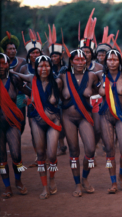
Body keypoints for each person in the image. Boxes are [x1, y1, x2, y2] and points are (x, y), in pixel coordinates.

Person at [11, 55, 63, 199]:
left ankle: (52, 179)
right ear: (35, 67)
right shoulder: (31, 79)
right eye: (40, 66)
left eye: (47, 65)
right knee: (41, 155)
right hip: (36, 121)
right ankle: (44, 187)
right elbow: (18, 75)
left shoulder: (57, 81)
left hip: (54, 121)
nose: (43, 69)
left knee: (52, 155)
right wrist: (9, 72)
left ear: (51, 67)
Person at [59, 43, 99, 197]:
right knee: (74, 151)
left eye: (83, 59)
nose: (81, 62)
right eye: (77, 60)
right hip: (68, 118)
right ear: (71, 61)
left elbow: (101, 89)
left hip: (85, 117)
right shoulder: (63, 76)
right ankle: (77, 183)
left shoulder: (92, 76)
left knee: (90, 149)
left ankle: (85, 178)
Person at [98, 47, 122, 194]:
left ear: (120, 61)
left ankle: (121, 175)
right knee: (109, 149)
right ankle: (113, 182)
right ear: (105, 61)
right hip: (105, 116)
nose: (112, 62)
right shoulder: (98, 76)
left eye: (115, 59)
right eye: (109, 59)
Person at [0, 53, 29, 199]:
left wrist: (37, 97)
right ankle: (7, 187)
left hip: (12, 123)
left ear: (8, 64)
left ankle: (18, 181)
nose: (1, 66)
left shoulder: (14, 79)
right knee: (1, 157)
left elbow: (28, 91)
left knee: (16, 154)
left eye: (3, 63)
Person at [79, 9, 104, 158]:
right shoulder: (71, 69)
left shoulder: (99, 67)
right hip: (79, 102)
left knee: (98, 129)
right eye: (83, 51)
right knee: (85, 128)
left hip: (96, 101)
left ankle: (94, 145)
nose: (85, 54)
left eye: (88, 52)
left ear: (92, 53)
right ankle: (90, 153)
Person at [19, 29, 42, 167]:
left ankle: (46, 154)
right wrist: (29, 93)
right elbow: (18, 84)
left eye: (37, 52)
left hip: (46, 104)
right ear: (28, 54)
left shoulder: (46, 65)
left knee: (45, 130)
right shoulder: (24, 68)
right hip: (32, 104)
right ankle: (38, 157)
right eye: (32, 52)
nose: (35, 54)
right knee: (34, 131)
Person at [45, 24, 68, 156]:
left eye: (56, 56)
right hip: (52, 99)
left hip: (63, 99)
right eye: (52, 56)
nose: (54, 58)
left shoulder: (65, 68)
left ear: (61, 56)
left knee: (64, 123)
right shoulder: (48, 68)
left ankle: (64, 145)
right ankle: (60, 146)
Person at [1, 32, 27, 136]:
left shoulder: (22, 61)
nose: (12, 51)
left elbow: (27, 76)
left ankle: (16, 137)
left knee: (22, 121)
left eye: (14, 49)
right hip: (4, 95)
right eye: (10, 49)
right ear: (5, 50)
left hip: (20, 95)